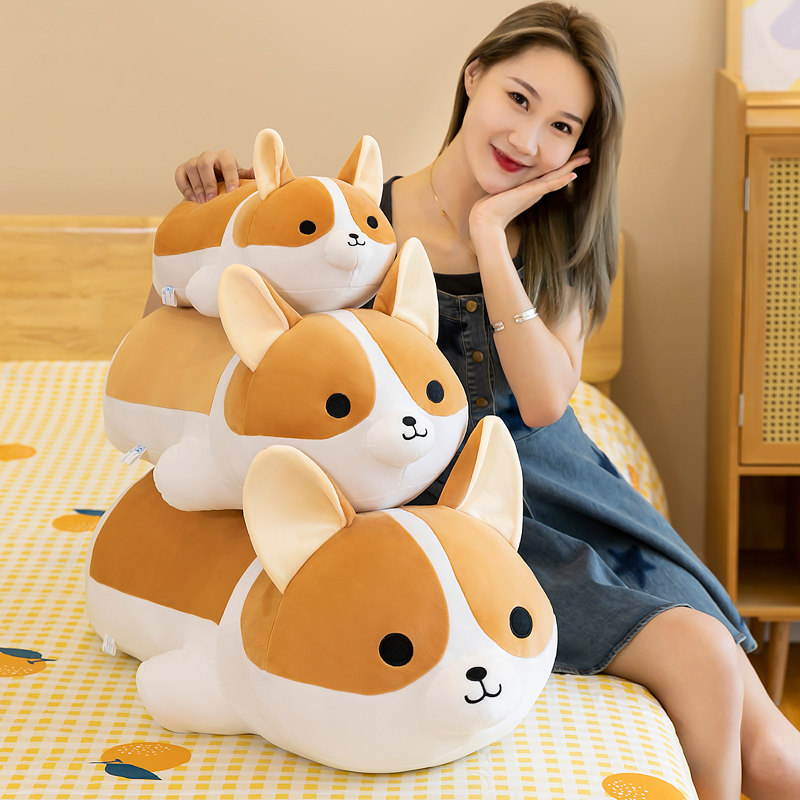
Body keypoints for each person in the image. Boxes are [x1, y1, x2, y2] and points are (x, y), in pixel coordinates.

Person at [169, 4, 800, 797]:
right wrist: (206, 213)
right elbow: (202, 317)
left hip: (574, 492)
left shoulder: (563, 241)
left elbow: (543, 405)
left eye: (562, 127)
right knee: (700, 654)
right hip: (457, 512)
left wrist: (491, 236)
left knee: (778, 760)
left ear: (580, 149)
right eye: (519, 99)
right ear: (474, 78)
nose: (529, 140)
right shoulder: (359, 223)